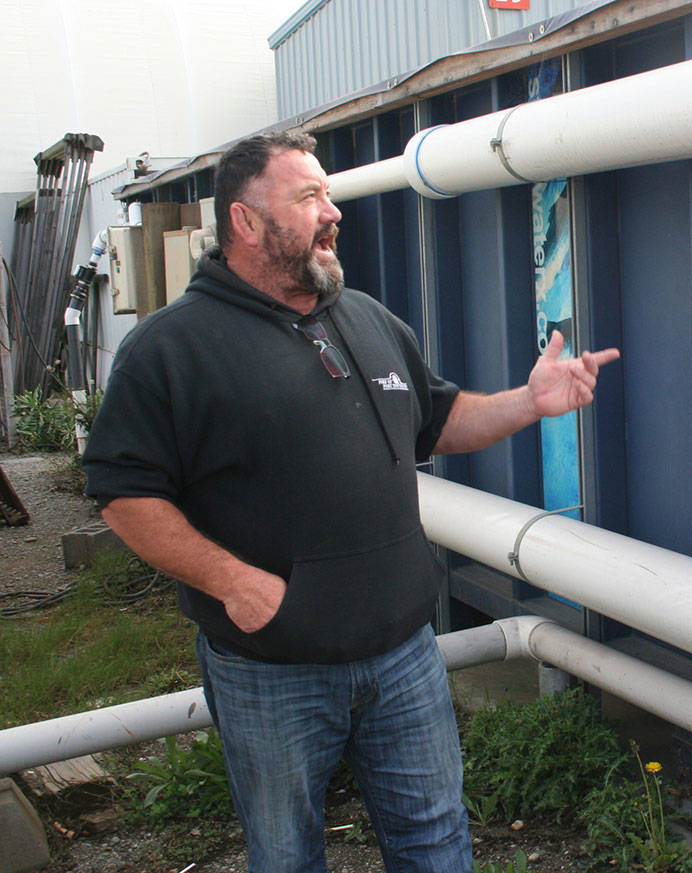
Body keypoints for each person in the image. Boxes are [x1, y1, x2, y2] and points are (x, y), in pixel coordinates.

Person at [82, 130, 620, 873]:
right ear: (245, 221)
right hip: (273, 668)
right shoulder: (173, 349)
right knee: (287, 856)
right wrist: (234, 584)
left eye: (328, 194)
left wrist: (528, 402)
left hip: (404, 655)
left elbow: (439, 418)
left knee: (436, 840)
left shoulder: (364, 318)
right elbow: (121, 491)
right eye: (308, 198)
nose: (332, 212)